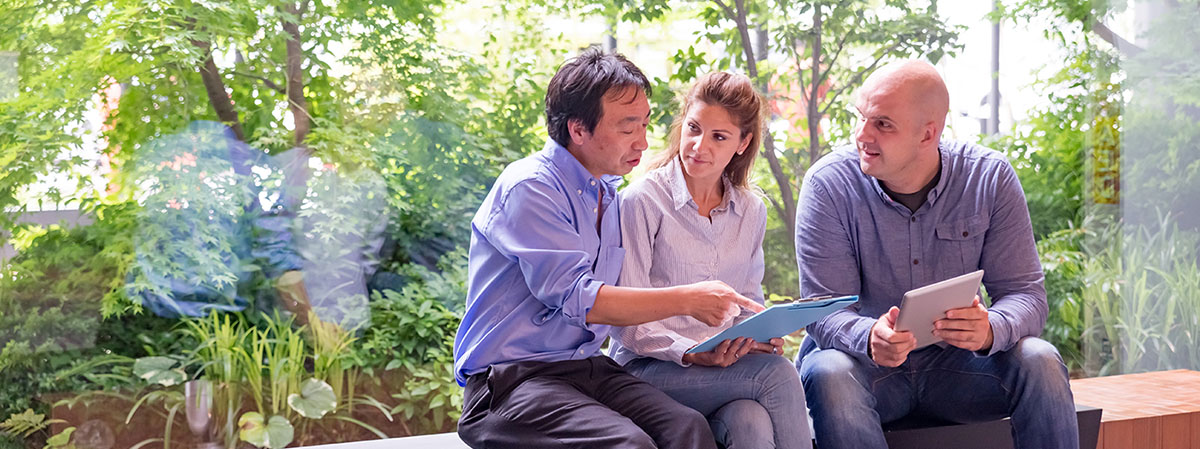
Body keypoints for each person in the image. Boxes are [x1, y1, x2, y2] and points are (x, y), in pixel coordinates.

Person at [453, 48, 764, 449]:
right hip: (509, 382)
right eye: (628, 128)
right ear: (579, 130)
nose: (644, 141)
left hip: (584, 368)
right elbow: (583, 301)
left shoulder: (609, 196)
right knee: (628, 444)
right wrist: (688, 300)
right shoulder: (530, 188)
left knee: (687, 428)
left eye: (646, 125)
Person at [793, 60, 1078, 449]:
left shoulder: (989, 178)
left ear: (928, 134)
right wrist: (869, 335)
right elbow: (823, 309)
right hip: (866, 370)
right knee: (828, 369)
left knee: (1040, 359)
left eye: (883, 124)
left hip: (959, 369)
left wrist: (990, 328)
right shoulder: (829, 185)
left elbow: (1027, 295)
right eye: (860, 118)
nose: (862, 135)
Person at [610, 71, 812, 449]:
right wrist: (692, 353)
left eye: (718, 137)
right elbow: (627, 326)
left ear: (743, 143)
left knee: (749, 421)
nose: (699, 146)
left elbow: (748, 300)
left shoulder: (751, 210)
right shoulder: (641, 201)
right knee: (779, 376)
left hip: (721, 368)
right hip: (647, 370)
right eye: (693, 128)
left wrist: (757, 337)